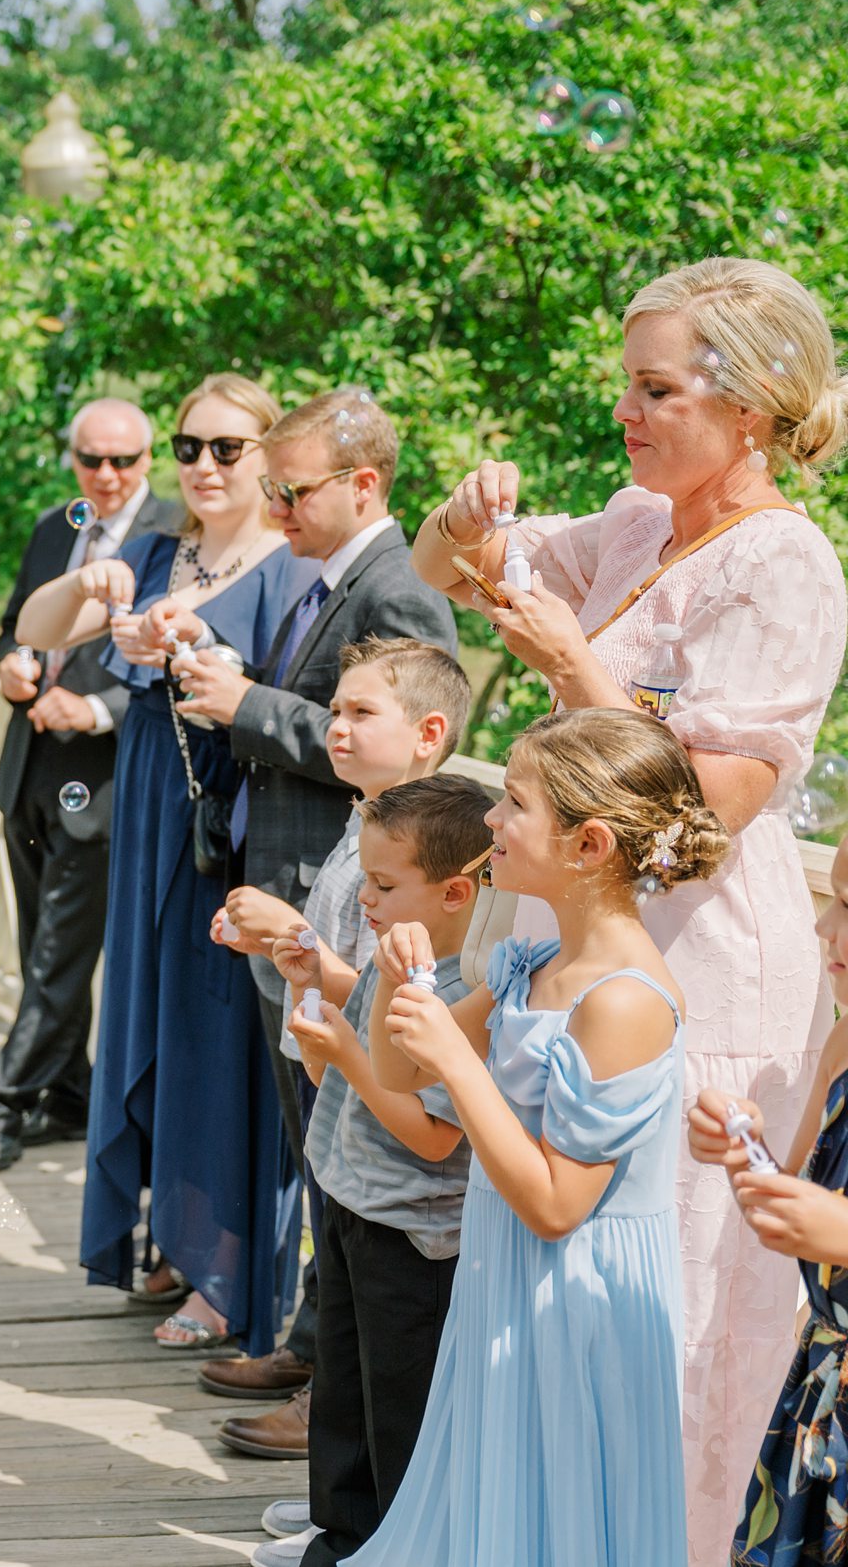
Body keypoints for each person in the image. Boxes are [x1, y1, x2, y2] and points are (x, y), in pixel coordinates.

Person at [409, 257, 848, 1558]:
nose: (628, 412)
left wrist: (574, 668)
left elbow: (700, 825)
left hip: (702, 967)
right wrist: (465, 510)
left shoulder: (788, 567)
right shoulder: (637, 520)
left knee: (674, 1319)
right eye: (626, 385)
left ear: (755, 407)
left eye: (657, 388)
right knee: (547, 1299)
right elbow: (454, 567)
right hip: (575, 943)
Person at [346, 707, 723, 1567]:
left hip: (579, 1301)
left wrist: (459, 1059)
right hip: (505, 1277)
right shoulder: (533, 965)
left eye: (513, 802)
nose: (489, 820)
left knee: (559, 1518)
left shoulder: (623, 1000)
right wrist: (397, 978)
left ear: (588, 845)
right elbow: (401, 1074)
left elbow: (559, 1203)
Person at [164, 389, 458, 1395]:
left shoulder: (397, 586)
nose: (275, 507)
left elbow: (413, 749)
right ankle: (311, 1347)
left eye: (292, 489)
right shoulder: (323, 576)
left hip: (336, 901)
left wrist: (248, 705)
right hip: (293, 894)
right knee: (316, 1132)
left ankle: (331, 1370)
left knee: (341, 1133)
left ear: (364, 484)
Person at [15, 372, 312, 1361]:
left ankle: (227, 1270)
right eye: (189, 446)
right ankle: (170, 1238)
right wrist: (94, 588)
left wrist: (200, 653)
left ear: (270, 455)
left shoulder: (286, 563)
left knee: (212, 1031)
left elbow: (288, 699)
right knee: (143, 1012)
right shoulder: (151, 549)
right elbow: (37, 631)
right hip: (146, 796)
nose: (204, 466)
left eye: (229, 448)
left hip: (226, 816)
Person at [207, 636, 471, 1470]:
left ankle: (335, 1418)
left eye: (362, 712)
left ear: (427, 734)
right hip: (340, 1081)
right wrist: (293, 954)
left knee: (378, 1317)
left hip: (385, 1116)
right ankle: (332, 1449)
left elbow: (396, 984)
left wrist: (297, 938)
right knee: (336, 1237)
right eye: (336, 711)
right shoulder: (366, 824)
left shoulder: (417, 841)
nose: (338, 728)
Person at [264, 775, 493, 1567]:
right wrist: (309, 979)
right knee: (346, 1388)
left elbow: (433, 1136)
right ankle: (341, 1532)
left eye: (386, 883)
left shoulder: (458, 994)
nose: (366, 896)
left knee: (399, 1403)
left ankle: (399, 1541)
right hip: (355, 1200)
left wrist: (349, 1056)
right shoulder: (396, 969)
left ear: (457, 891)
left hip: (416, 1233)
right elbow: (347, 1081)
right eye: (364, 876)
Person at [0, 398, 183, 1174]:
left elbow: (183, 659)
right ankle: (71, 1096)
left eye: (124, 459)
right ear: (73, 458)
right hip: (29, 768)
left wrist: (94, 707)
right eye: (93, 459)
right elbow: (15, 624)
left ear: (150, 457)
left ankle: (0, 1105)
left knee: (58, 954)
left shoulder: (175, 537)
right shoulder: (57, 526)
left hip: (108, 778)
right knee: (37, 955)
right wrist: (11, 666)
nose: (109, 474)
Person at [690, 835, 848, 1566]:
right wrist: (740, 1154)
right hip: (823, 1396)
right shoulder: (844, 1044)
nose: (825, 927)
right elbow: (788, 1215)